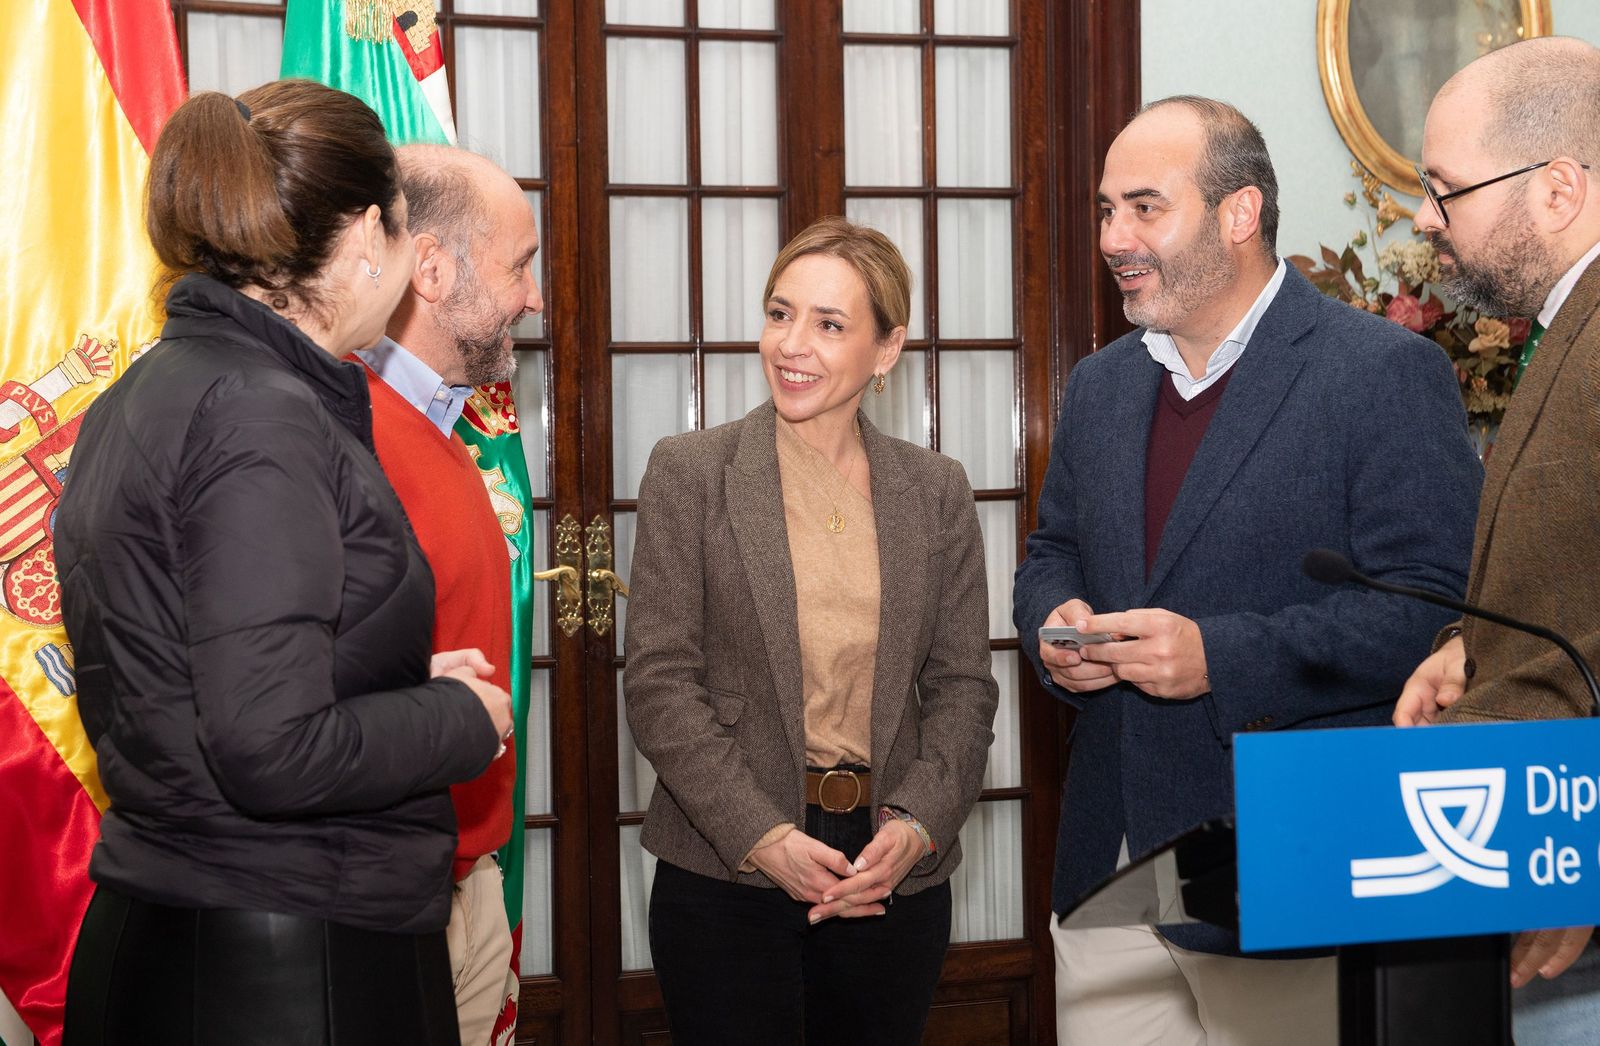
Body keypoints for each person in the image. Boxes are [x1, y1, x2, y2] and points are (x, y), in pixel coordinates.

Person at [1012, 95, 1483, 1044]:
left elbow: (1434, 613)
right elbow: (1052, 548)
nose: (1113, 236)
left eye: (1145, 207)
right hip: (1106, 870)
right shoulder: (1101, 385)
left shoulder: (1382, 373)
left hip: (1286, 869)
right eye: (1106, 210)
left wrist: (1217, 660)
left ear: (1240, 214)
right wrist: (1051, 626)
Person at [55, 81, 513, 1045]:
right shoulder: (260, 412)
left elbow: (198, 669)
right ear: (362, 238)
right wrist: (456, 718)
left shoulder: (155, 391)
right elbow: (268, 751)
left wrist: (392, 679)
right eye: (399, 239)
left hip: (208, 931)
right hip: (284, 964)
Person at [623, 216, 998, 1045]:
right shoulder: (693, 472)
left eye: (830, 325)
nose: (792, 345)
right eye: (779, 312)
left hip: (885, 871)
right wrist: (764, 837)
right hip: (727, 865)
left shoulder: (933, 491)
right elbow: (658, 683)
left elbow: (964, 688)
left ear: (887, 349)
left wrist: (917, 825)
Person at [1393, 35, 1600, 1031]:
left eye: (1445, 188)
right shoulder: (1563, 327)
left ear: (1557, 188)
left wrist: (1588, 854)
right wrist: (1467, 643)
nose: (1424, 219)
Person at [356, 143, 543, 1046]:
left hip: (466, 887)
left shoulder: (450, 425)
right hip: (381, 903)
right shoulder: (334, 431)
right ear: (430, 268)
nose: (533, 296)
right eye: (520, 266)